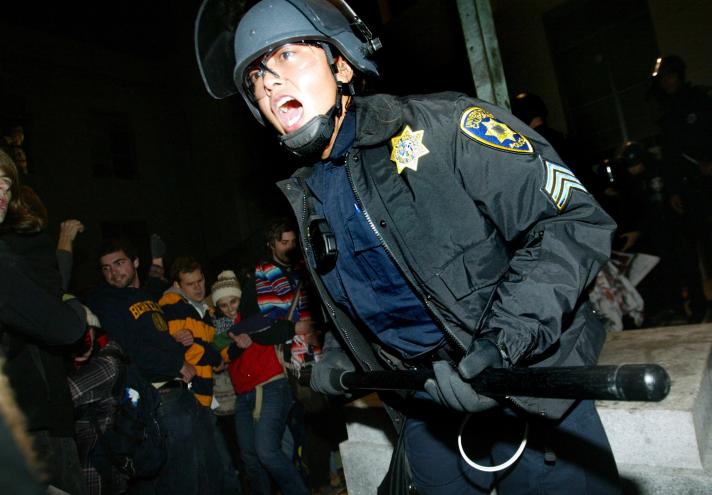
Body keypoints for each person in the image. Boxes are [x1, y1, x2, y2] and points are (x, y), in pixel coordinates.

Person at [195, 1, 621, 493]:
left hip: (527, 389)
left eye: (287, 56)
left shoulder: (446, 126)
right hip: (426, 402)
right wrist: (340, 354)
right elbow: (371, 293)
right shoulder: (310, 197)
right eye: (255, 77)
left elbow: (571, 221)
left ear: (343, 63)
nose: (268, 83)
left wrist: (502, 345)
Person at [85, 238, 239, 495]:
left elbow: (151, 337)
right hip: (159, 398)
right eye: (106, 268)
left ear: (134, 263)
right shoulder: (105, 299)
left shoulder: (143, 296)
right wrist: (176, 361)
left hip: (183, 393)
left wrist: (175, 342)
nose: (113, 272)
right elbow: (126, 348)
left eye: (119, 263)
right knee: (183, 479)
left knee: (212, 472)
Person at [0, 148, 88, 494]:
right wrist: (75, 307)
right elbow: (64, 326)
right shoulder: (18, 253)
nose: (2, 196)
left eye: (6, 186)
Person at [220, 219, 313, 495]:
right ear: (271, 243)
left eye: (293, 242)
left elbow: (263, 330)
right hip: (246, 391)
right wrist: (239, 341)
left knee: (269, 451)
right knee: (253, 458)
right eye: (284, 242)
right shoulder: (227, 324)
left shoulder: (299, 273)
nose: (290, 247)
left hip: (276, 377)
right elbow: (228, 352)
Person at [650, 54, 712, 321]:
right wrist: (673, 191)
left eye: (670, 75)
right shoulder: (666, 113)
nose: (667, 82)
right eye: (663, 78)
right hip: (685, 193)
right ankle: (697, 306)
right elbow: (669, 158)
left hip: (707, 186)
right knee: (687, 252)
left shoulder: (700, 100)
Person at [159, 257, 224, 408]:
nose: (198, 287)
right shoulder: (172, 303)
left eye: (200, 281)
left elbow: (216, 346)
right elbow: (184, 348)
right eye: (190, 284)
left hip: (204, 393)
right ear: (177, 285)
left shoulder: (207, 310)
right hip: (183, 394)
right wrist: (216, 358)